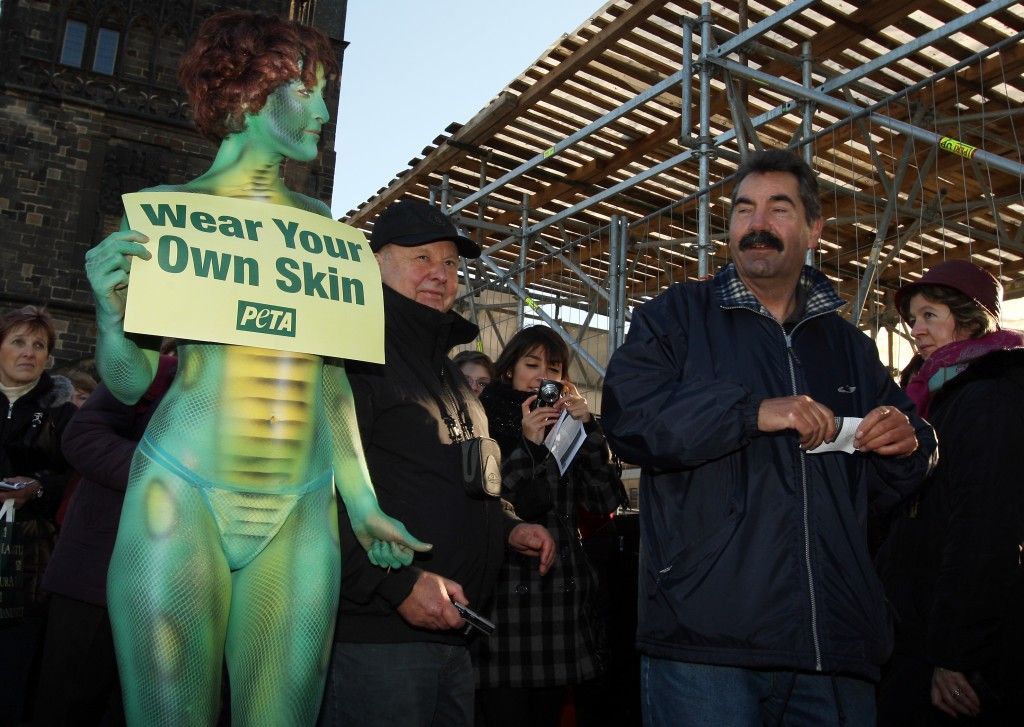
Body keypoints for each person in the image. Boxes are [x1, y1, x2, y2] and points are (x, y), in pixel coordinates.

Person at [82, 12, 425, 726]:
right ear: (247, 91)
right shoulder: (167, 215)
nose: (325, 111)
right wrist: (112, 318)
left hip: (300, 512)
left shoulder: (329, 238)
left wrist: (362, 505)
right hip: (180, 498)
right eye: (309, 89)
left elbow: (330, 381)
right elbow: (127, 381)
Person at [600, 149, 937, 725]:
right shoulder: (674, 317)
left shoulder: (847, 345)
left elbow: (895, 474)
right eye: (743, 210)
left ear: (813, 229)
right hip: (708, 638)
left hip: (833, 642)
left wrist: (909, 444)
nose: (756, 225)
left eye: (778, 209)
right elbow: (630, 416)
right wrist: (751, 411)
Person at [319, 198, 556, 727]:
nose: (440, 274)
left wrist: (509, 526)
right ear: (376, 262)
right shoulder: (352, 358)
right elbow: (318, 491)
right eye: (421, 257)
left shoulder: (451, 375)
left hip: (454, 636)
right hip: (377, 640)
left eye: (450, 263)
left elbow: (457, 481)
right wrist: (396, 586)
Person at [875, 260, 1024, 725]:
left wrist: (953, 655)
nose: (916, 329)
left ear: (968, 317)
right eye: (912, 319)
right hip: (922, 624)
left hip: (956, 644)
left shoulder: (988, 398)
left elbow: (984, 528)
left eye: (930, 316)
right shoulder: (935, 395)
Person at [475, 325, 628, 726]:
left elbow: (604, 500)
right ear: (509, 370)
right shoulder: (482, 419)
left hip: (559, 604)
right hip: (506, 601)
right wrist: (529, 444)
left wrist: (589, 430)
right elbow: (503, 504)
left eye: (554, 368)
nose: (543, 375)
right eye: (532, 364)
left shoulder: (568, 424)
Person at [34, 354, 176, 727]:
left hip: (181, 587)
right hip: (99, 574)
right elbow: (83, 438)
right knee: (70, 703)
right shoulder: (152, 369)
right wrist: (173, 472)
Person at [0, 305, 77, 725]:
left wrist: (39, 487)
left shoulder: (63, 414)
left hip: (27, 559)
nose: (28, 353)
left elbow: (78, 479)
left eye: (39, 345)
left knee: (14, 666)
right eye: (18, 342)